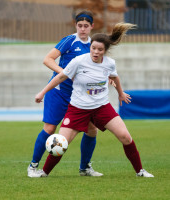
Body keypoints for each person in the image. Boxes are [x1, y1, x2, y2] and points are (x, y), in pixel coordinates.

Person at [31, 22, 154, 178]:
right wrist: (42, 92)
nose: (95, 52)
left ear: (105, 51)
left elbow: (115, 77)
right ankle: (44, 172)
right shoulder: (79, 61)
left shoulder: (109, 63)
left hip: (102, 107)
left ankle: (140, 171)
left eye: (100, 50)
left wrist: (121, 94)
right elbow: (61, 77)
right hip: (77, 108)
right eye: (93, 48)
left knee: (125, 137)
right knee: (61, 143)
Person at [28, 10, 103, 177]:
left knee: (92, 130)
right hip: (59, 92)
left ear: (91, 26)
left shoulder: (93, 45)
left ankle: (85, 168)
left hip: (80, 96)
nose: (82, 29)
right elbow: (47, 59)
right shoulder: (70, 40)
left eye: (86, 26)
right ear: (75, 26)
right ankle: (33, 166)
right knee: (50, 128)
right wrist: (65, 73)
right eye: (79, 25)